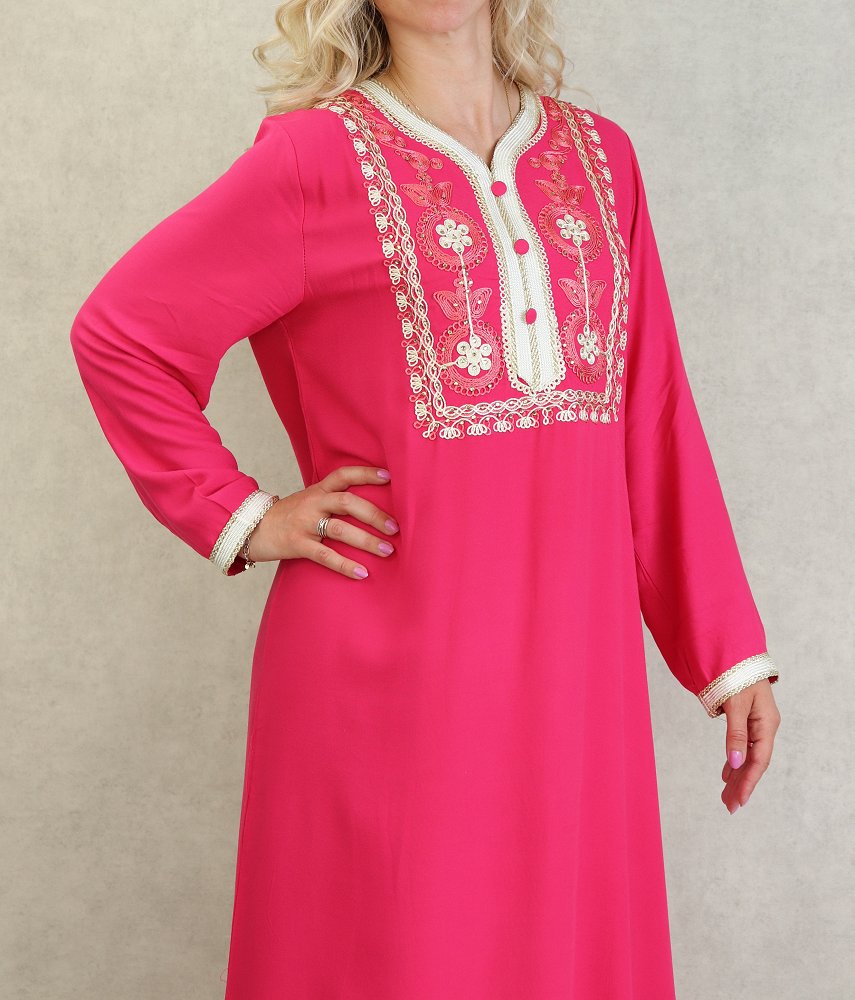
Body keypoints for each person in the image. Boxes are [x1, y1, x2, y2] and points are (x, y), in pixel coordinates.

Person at [68, 1, 782, 997]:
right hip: (384, 683)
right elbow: (123, 334)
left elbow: (651, 413)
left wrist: (727, 653)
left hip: (571, 680)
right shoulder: (311, 162)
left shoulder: (602, 160)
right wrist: (244, 514)